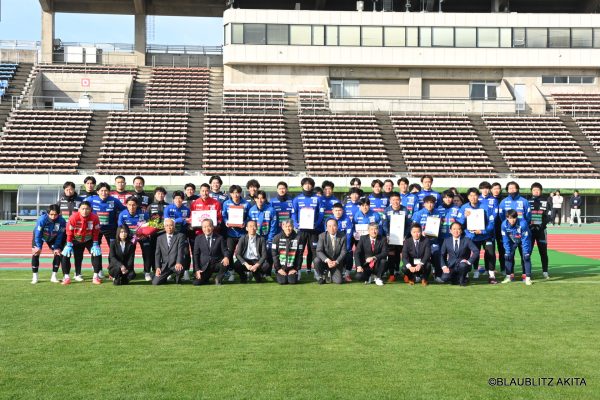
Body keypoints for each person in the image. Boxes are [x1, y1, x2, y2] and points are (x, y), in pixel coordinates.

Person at [89, 182, 126, 279]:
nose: (104, 193)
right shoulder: (91, 200)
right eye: (102, 191)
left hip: (111, 229)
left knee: (114, 250)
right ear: (97, 192)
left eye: (106, 191)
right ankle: (98, 270)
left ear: (109, 192)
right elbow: (82, 208)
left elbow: (124, 210)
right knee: (95, 250)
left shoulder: (114, 200)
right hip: (96, 229)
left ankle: (112, 271)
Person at [62, 201, 102, 285]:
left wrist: (95, 243)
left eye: (87, 209)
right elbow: (69, 232)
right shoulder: (73, 217)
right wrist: (68, 244)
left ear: (90, 209)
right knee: (66, 255)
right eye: (83, 209)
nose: (85, 211)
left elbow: (96, 231)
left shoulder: (95, 218)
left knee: (97, 253)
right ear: (79, 209)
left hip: (89, 239)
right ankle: (67, 277)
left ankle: (96, 276)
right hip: (75, 239)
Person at [292, 177, 323, 275]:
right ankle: (297, 271)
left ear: (312, 186)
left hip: (314, 230)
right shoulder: (297, 199)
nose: (307, 186)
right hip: (301, 230)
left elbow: (321, 213)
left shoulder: (318, 198)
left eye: (309, 184)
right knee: (299, 250)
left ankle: (317, 272)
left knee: (315, 251)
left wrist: (316, 224)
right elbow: (293, 213)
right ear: (302, 186)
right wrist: (296, 224)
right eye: (305, 184)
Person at [31, 204, 66, 284]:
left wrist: (56, 247)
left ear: (59, 214)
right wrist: (38, 247)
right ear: (47, 213)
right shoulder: (42, 219)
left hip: (54, 237)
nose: (53, 217)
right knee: (36, 253)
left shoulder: (62, 221)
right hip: (40, 236)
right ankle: (35, 277)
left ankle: (54, 276)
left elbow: (60, 235)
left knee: (58, 253)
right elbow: (38, 234)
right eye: (51, 214)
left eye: (55, 214)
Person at [411, 195, 443, 281]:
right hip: (421, 241)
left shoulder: (438, 214)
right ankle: (417, 275)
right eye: (427, 203)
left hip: (433, 241)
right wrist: (421, 233)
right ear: (424, 204)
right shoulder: (418, 214)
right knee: (418, 256)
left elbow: (440, 227)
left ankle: (437, 275)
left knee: (436, 254)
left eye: (432, 203)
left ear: (434, 204)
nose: (430, 205)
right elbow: (413, 228)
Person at [118, 196, 150, 280]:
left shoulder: (143, 213)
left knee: (147, 253)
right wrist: (128, 236)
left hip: (143, 236)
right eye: (129, 205)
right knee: (130, 254)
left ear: (137, 205)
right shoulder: (122, 214)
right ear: (126, 205)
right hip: (130, 238)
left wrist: (144, 233)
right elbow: (120, 228)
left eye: (134, 205)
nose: (131, 207)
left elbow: (149, 224)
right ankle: (130, 271)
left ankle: (147, 272)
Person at [222, 184, 250, 280]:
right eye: (233, 193)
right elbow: (224, 215)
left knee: (243, 253)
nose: (236, 195)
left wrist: (245, 223)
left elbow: (249, 217)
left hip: (243, 233)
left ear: (240, 193)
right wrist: (226, 222)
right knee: (229, 253)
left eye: (237, 192)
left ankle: (245, 271)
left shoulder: (246, 204)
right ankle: (231, 272)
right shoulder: (226, 203)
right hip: (231, 233)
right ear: (230, 194)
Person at [163, 191, 192, 281]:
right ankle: (169, 272)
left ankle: (186, 271)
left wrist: (186, 222)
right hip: (171, 234)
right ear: (173, 199)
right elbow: (167, 221)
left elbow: (189, 221)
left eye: (180, 198)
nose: (178, 200)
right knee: (170, 252)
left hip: (183, 234)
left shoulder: (187, 209)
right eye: (176, 198)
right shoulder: (168, 208)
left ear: (183, 199)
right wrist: (180, 219)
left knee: (186, 252)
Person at [192, 219, 230, 286]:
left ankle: (218, 279)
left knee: (225, 263)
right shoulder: (198, 238)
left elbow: (225, 250)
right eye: (204, 227)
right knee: (196, 283)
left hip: (217, 264)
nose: (207, 229)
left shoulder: (220, 238)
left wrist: (226, 257)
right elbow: (196, 255)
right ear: (202, 228)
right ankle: (207, 278)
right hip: (204, 266)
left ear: (212, 227)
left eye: (209, 226)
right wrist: (197, 270)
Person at [501, 210, 533, 286]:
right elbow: (505, 239)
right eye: (510, 218)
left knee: (526, 257)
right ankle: (508, 277)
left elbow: (525, 239)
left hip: (523, 240)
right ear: (507, 218)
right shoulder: (504, 225)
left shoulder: (523, 224)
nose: (512, 220)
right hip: (512, 241)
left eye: (514, 218)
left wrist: (526, 251)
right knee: (508, 256)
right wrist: (507, 251)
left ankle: (528, 278)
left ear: (517, 217)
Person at [383, 192, 410, 282]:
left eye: (397, 200)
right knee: (391, 255)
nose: (395, 202)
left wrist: (405, 235)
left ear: (400, 200)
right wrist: (387, 235)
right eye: (393, 200)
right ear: (390, 201)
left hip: (403, 237)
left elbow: (409, 225)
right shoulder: (386, 211)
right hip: (391, 237)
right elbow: (384, 225)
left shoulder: (405, 210)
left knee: (405, 255)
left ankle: (406, 274)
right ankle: (392, 274)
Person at [153, 218, 188, 285]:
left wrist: (178, 262)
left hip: (175, 265)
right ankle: (164, 277)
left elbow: (180, 251)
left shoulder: (180, 236)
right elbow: (157, 254)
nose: (169, 227)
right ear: (164, 227)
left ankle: (175, 276)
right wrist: (157, 267)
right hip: (165, 266)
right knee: (155, 283)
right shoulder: (159, 238)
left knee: (178, 280)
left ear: (174, 226)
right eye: (167, 225)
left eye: (171, 225)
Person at [314, 218, 347, 284]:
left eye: (334, 225)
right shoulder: (322, 236)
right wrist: (327, 260)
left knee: (339, 281)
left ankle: (330, 274)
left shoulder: (343, 236)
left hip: (336, 262)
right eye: (329, 226)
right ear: (326, 227)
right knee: (316, 260)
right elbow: (319, 251)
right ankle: (321, 276)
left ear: (337, 226)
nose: (332, 228)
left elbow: (343, 252)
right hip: (325, 262)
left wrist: (336, 262)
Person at [529, 183, 550, 279]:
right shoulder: (527, 201)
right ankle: (527, 272)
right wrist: (530, 225)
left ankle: (545, 271)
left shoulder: (546, 201)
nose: (536, 192)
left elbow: (549, 215)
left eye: (538, 190)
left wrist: (542, 225)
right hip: (530, 231)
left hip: (541, 231)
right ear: (531, 191)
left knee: (543, 252)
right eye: (534, 190)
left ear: (541, 191)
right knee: (528, 252)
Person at [272, 220, 303, 284]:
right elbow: (274, 255)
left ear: (293, 227)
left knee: (292, 282)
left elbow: (300, 255)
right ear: (282, 227)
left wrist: (295, 269)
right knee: (282, 282)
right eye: (286, 226)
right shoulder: (276, 238)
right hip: (281, 268)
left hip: (292, 268)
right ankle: (278, 273)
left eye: (289, 226)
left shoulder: (299, 238)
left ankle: (296, 273)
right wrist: (278, 269)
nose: (288, 228)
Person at [329, 203, 354, 282]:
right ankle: (328, 272)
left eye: (339, 210)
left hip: (343, 244)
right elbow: (327, 235)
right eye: (336, 210)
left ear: (342, 211)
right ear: (333, 211)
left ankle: (347, 274)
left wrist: (346, 247)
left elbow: (349, 235)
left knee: (349, 253)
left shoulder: (347, 220)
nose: (338, 212)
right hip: (333, 245)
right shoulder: (329, 220)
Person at [491, 182, 505, 272]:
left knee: (502, 249)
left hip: (501, 228)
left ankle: (503, 268)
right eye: (494, 188)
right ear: (491, 190)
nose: (496, 190)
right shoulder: (488, 200)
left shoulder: (504, 200)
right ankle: (491, 269)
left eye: (498, 188)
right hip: (490, 228)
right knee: (490, 250)